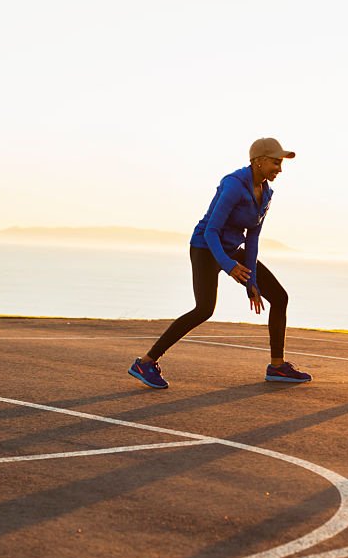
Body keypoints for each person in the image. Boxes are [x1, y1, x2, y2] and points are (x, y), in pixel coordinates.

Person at [127, 138, 312, 389]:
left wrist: (252, 280)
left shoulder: (266, 192)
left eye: (281, 164)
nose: (279, 169)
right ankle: (145, 362)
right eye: (276, 162)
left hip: (232, 249)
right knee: (204, 309)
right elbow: (211, 231)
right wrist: (229, 266)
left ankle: (277, 366)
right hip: (205, 247)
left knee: (279, 297)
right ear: (258, 161)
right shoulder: (234, 185)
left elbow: (253, 237)